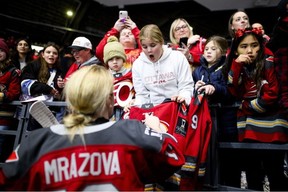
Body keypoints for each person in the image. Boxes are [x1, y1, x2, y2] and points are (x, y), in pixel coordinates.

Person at [0, 65, 185, 191]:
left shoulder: (36, 142)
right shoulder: (134, 133)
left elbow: (7, 182)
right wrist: (159, 130)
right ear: (110, 100)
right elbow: (174, 159)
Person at [225, 27, 288, 191]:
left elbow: (272, 93)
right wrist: (236, 65)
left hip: (273, 125)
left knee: (275, 170)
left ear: (260, 45)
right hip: (249, 127)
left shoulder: (269, 61)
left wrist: (246, 105)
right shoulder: (237, 65)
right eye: (244, 46)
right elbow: (233, 90)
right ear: (236, 49)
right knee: (253, 171)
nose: (250, 50)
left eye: (254, 45)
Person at [131, 24, 194, 108]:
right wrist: (135, 105)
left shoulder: (178, 57)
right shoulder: (138, 65)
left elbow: (186, 86)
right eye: (144, 47)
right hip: (152, 112)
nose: (149, 50)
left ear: (161, 42)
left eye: (153, 45)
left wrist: (183, 98)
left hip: (176, 107)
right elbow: (142, 95)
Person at [103, 36, 134, 120]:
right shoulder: (103, 77)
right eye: (111, 59)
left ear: (123, 59)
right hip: (109, 113)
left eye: (118, 58)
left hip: (128, 110)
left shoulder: (132, 73)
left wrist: (134, 101)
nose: (114, 62)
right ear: (106, 62)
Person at [0, 38, 21, 161]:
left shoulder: (12, 71)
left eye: (1, 50)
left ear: (6, 53)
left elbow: (14, 93)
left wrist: (2, 96)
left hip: (3, 117)